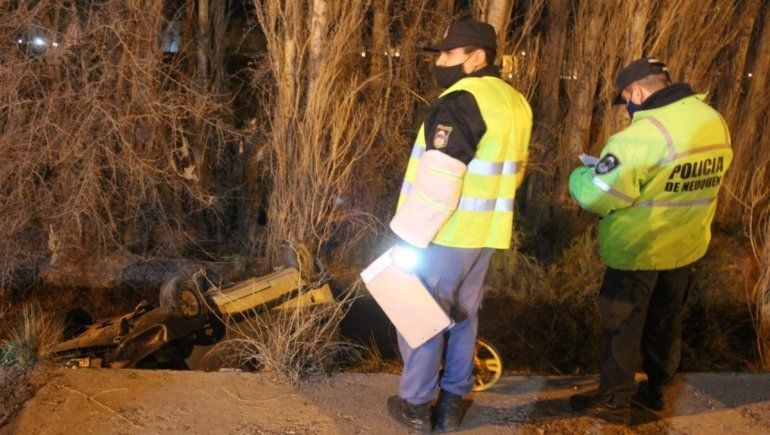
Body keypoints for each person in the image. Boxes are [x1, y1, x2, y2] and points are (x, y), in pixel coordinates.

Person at [568, 58, 733, 425]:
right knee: (665, 321)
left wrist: (582, 175)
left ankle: (614, 401)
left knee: (621, 326)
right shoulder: (712, 120)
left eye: (627, 98)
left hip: (637, 249)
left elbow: (598, 196)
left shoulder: (641, 136)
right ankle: (658, 392)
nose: (628, 106)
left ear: (638, 93)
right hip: (686, 244)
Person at [386, 20, 532, 432]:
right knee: (465, 318)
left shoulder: (460, 100)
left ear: (477, 56)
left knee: (420, 317)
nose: (441, 62)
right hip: (485, 234)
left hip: (443, 234)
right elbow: (514, 171)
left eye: (449, 54)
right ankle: (452, 404)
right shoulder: (515, 102)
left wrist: (407, 235)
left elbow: (439, 180)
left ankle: (415, 406)